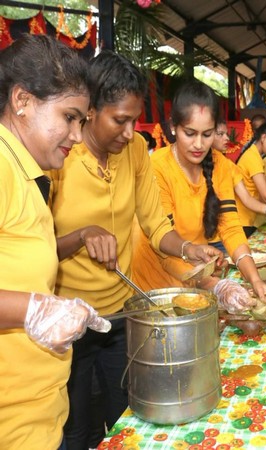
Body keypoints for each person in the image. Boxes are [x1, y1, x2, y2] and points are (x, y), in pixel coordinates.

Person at [48, 51, 221, 449]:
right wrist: (81, 235)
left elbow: (156, 224)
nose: (129, 133)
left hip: (122, 312)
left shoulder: (136, 151)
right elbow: (39, 249)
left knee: (126, 416)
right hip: (67, 319)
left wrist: (188, 248)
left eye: (134, 120)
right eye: (119, 121)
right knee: (73, 428)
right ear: (89, 110)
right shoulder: (59, 157)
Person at [0, 34, 110, 450]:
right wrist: (34, 309)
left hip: (37, 417)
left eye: (82, 121)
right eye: (69, 117)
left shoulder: (29, 174)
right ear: (22, 101)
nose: (78, 136)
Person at [132, 79, 266, 311]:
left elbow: (231, 229)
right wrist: (214, 284)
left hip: (193, 279)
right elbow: (162, 240)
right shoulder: (157, 167)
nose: (199, 145)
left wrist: (256, 281)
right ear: (173, 127)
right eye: (190, 133)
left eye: (207, 134)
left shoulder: (220, 166)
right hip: (154, 287)